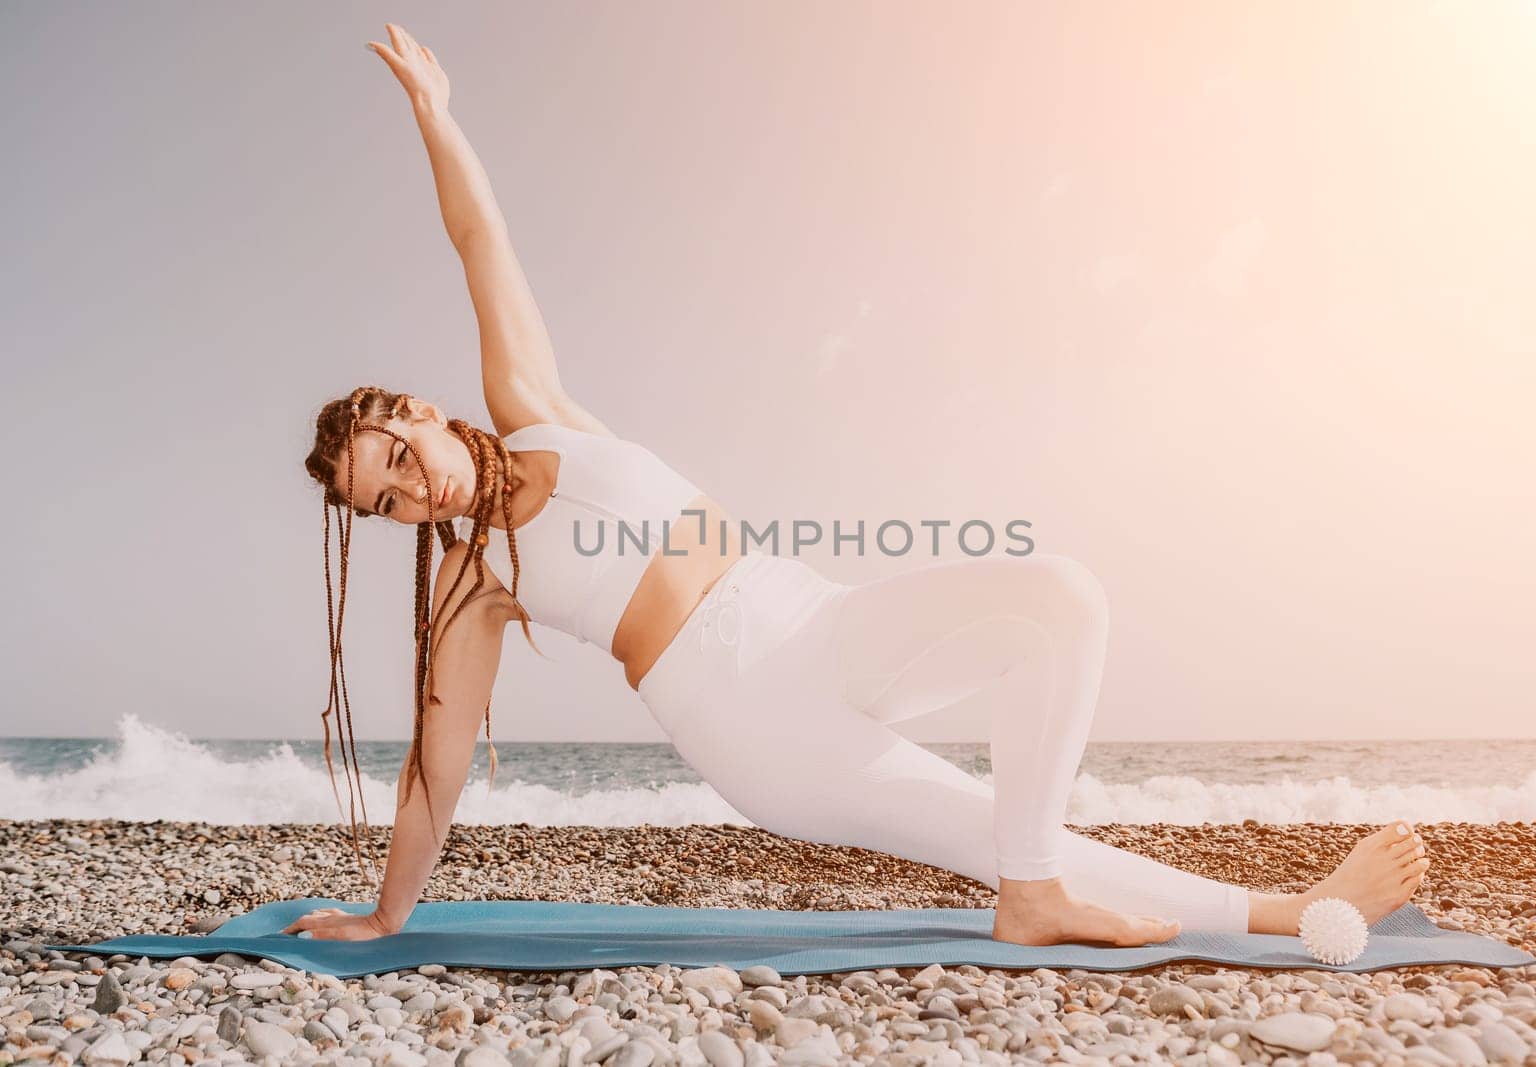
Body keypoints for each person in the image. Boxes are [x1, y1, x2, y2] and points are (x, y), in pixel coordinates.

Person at [286, 24, 1430, 945]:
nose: (408, 495)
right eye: (381, 505)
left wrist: (438, 118)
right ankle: (1258, 908)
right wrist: (391, 913)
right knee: (983, 831)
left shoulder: (535, 408)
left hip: (810, 614)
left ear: (421, 410)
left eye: (395, 458)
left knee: (1059, 596)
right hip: (742, 718)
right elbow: (433, 771)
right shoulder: (473, 585)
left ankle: (1033, 887)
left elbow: (479, 238)